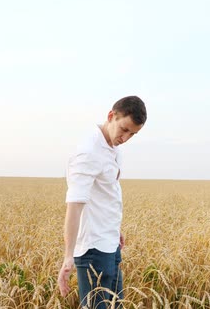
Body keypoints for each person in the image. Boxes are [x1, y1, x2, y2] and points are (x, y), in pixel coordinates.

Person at [58, 96, 147, 308]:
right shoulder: (89, 152)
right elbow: (75, 205)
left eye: (132, 134)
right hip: (93, 249)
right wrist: (68, 256)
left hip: (110, 243)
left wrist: (115, 228)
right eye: (124, 129)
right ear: (111, 116)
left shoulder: (114, 149)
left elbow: (107, 194)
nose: (125, 138)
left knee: (116, 305)